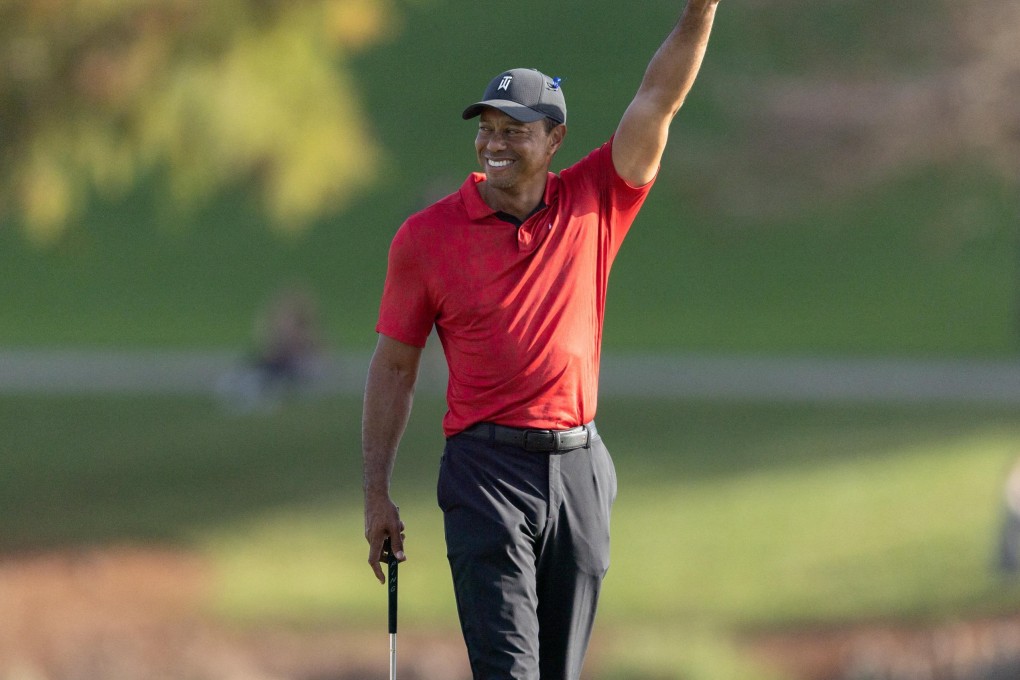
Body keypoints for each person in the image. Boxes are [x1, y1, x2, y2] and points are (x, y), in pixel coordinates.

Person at [362, 2, 722, 677]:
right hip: (485, 475)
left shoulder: (596, 201)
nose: (495, 143)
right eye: (488, 129)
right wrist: (376, 490)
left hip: (581, 470)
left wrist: (701, 9)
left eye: (515, 131)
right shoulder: (426, 238)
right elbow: (393, 371)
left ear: (554, 140)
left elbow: (658, 98)